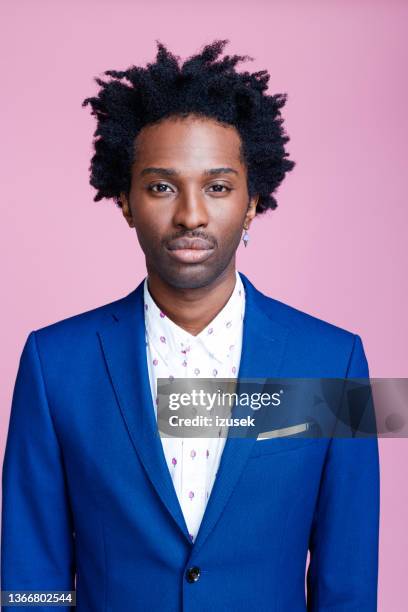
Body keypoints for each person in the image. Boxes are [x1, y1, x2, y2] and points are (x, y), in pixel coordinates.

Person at [1, 40, 379, 611]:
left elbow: (347, 585)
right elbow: (32, 580)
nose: (191, 214)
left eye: (219, 187)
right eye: (160, 186)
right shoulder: (55, 364)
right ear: (125, 201)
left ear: (253, 203)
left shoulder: (335, 361)